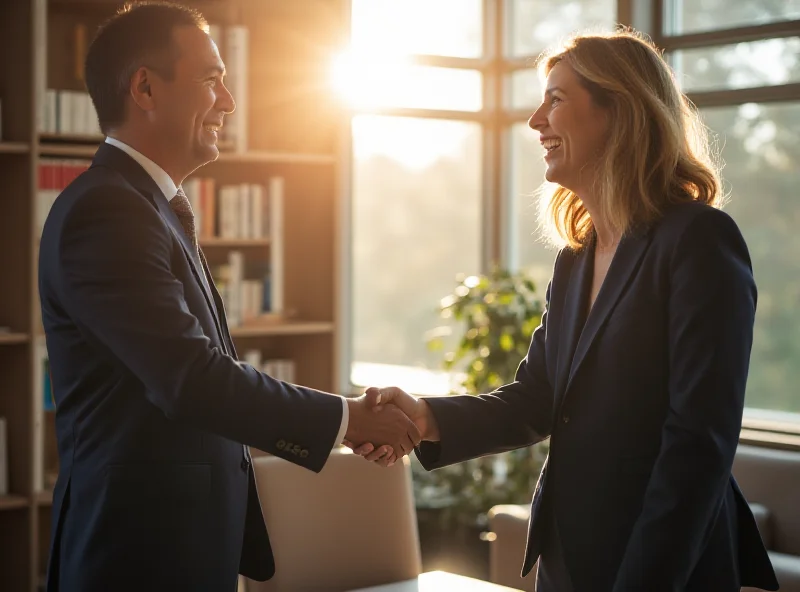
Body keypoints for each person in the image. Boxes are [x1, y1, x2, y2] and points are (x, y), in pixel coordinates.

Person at [349, 30, 780, 592]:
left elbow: (698, 443)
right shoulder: (575, 261)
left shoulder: (698, 239)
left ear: (619, 111)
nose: (535, 121)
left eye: (555, 98)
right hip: (569, 557)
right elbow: (536, 400)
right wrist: (424, 417)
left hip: (661, 567)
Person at [37, 3, 420, 591]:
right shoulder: (109, 211)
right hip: (136, 556)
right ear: (145, 87)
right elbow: (191, 378)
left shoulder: (147, 209)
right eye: (211, 79)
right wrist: (347, 419)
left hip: (175, 547)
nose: (229, 102)